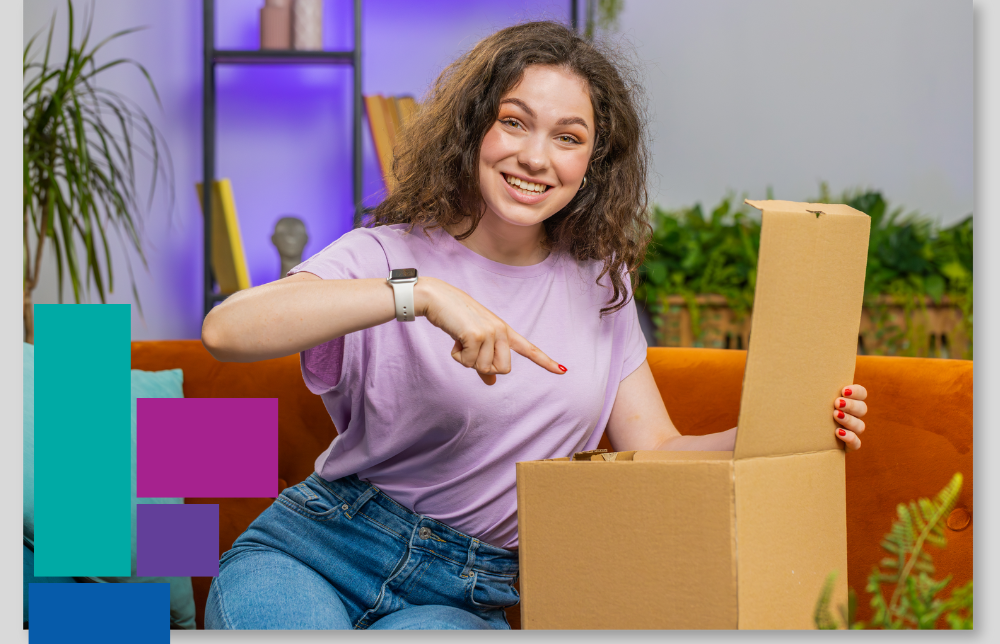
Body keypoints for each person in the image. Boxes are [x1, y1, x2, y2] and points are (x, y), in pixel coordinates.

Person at [200, 21, 868, 631]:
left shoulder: (600, 285)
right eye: (514, 123)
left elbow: (656, 446)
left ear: (593, 163)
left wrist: (775, 428)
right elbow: (229, 331)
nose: (536, 158)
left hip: (460, 595)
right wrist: (422, 296)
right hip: (317, 549)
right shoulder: (386, 255)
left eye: (568, 138)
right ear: (473, 129)